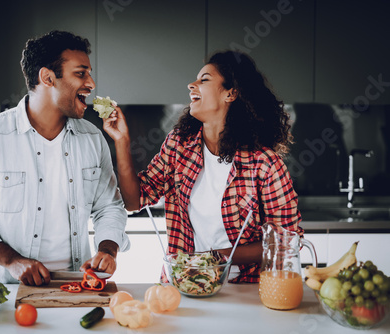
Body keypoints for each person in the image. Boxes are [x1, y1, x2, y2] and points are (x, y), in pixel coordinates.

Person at [0, 30, 130, 286]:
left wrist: (108, 250)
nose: (91, 83)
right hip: (4, 290)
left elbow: (109, 206)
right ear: (47, 77)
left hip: (77, 285)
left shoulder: (92, 138)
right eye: (81, 73)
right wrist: (12, 260)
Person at [103, 50, 303, 283]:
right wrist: (121, 141)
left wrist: (217, 257)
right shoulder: (180, 145)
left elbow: (288, 239)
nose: (191, 84)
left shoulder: (264, 163)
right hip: (185, 282)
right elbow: (134, 200)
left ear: (231, 93)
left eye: (204, 79)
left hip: (245, 288)